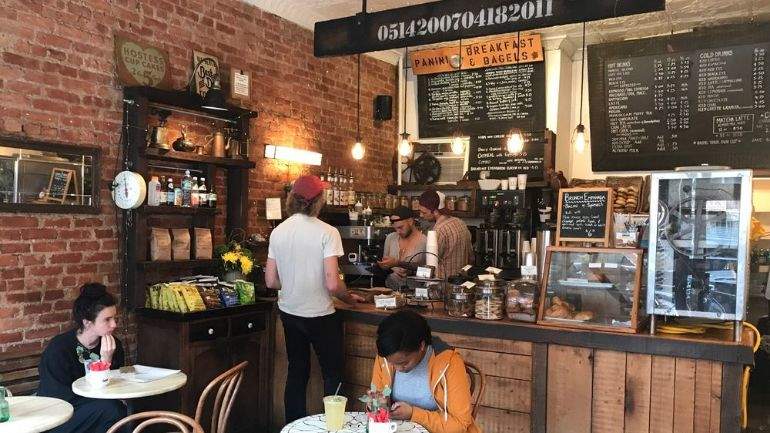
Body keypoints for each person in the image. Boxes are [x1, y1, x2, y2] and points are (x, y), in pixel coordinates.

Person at [265, 174, 364, 423]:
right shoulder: (327, 232)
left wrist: (294, 286)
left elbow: (270, 281)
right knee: (333, 374)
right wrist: (349, 298)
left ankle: (293, 426)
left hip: (289, 312)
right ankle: (333, 426)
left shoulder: (278, 232)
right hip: (320, 315)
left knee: (297, 371)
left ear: (292, 200)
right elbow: (333, 283)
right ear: (318, 201)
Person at [370, 310, 480, 433]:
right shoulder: (386, 357)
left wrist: (413, 414)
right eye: (391, 362)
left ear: (421, 346)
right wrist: (377, 405)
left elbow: (459, 424)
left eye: (404, 363)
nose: (397, 368)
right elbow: (376, 405)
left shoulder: (449, 363)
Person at [38, 283, 127, 433]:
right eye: (107, 319)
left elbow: (115, 388)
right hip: (59, 416)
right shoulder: (60, 348)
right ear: (87, 322)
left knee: (125, 411)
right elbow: (56, 397)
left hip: (99, 410)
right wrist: (104, 363)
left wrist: (108, 360)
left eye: (114, 318)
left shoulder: (113, 345)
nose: (114, 324)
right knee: (112, 410)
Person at [418, 190, 472, 279]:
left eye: (424, 212)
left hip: (443, 283)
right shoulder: (460, 222)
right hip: (461, 280)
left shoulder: (439, 230)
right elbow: (471, 256)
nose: (421, 215)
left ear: (435, 211)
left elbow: (431, 262)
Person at [377, 206, 427, 290]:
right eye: (395, 228)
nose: (398, 232)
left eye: (400, 227)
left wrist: (410, 270)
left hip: (415, 291)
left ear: (410, 221)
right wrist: (388, 267)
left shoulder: (425, 241)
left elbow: (430, 269)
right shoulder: (390, 238)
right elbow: (385, 265)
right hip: (391, 290)